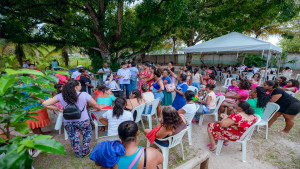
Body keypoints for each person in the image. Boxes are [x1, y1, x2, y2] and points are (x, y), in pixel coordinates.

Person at [42, 80, 102, 158]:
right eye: (80, 85)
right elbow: (95, 105)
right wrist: (99, 108)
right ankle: (86, 151)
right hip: (83, 120)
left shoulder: (61, 95)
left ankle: (78, 153)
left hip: (68, 121)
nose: (81, 87)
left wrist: (58, 109)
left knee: (73, 137)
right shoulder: (84, 94)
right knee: (87, 134)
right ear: (76, 87)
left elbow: (45, 103)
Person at [91, 121, 163, 168]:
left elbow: (98, 163)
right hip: (145, 160)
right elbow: (161, 160)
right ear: (137, 133)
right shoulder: (152, 153)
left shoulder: (110, 153)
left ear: (119, 136)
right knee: (159, 166)